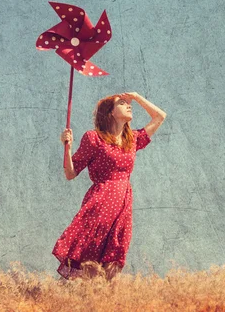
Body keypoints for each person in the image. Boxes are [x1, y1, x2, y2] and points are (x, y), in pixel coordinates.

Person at [52, 91, 166, 281]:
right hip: (101, 201)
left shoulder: (133, 140)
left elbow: (160, 116)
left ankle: (107, 300)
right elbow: (70, 173)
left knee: (116, 252)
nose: (128, 105)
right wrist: (68, 147)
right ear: (110, 112)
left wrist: (136, 97)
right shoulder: (93, 138)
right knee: (92, 251)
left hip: (123, 204)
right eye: (122, 103)